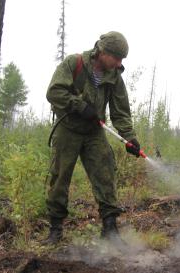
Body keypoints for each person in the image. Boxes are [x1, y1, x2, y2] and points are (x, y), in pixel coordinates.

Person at [44, 31, 141, 245]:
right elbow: (54, 92)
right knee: (60, 178)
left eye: (121, 59)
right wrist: (79, 106)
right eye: (116, 58)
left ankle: (110, 230)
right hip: (67, 129)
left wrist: (130, 137)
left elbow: (121, 112)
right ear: (103, 52)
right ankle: (55, 229)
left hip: (94, 133)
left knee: (105, 173)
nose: (119, 63)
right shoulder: (74, 63)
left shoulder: (115, 76)